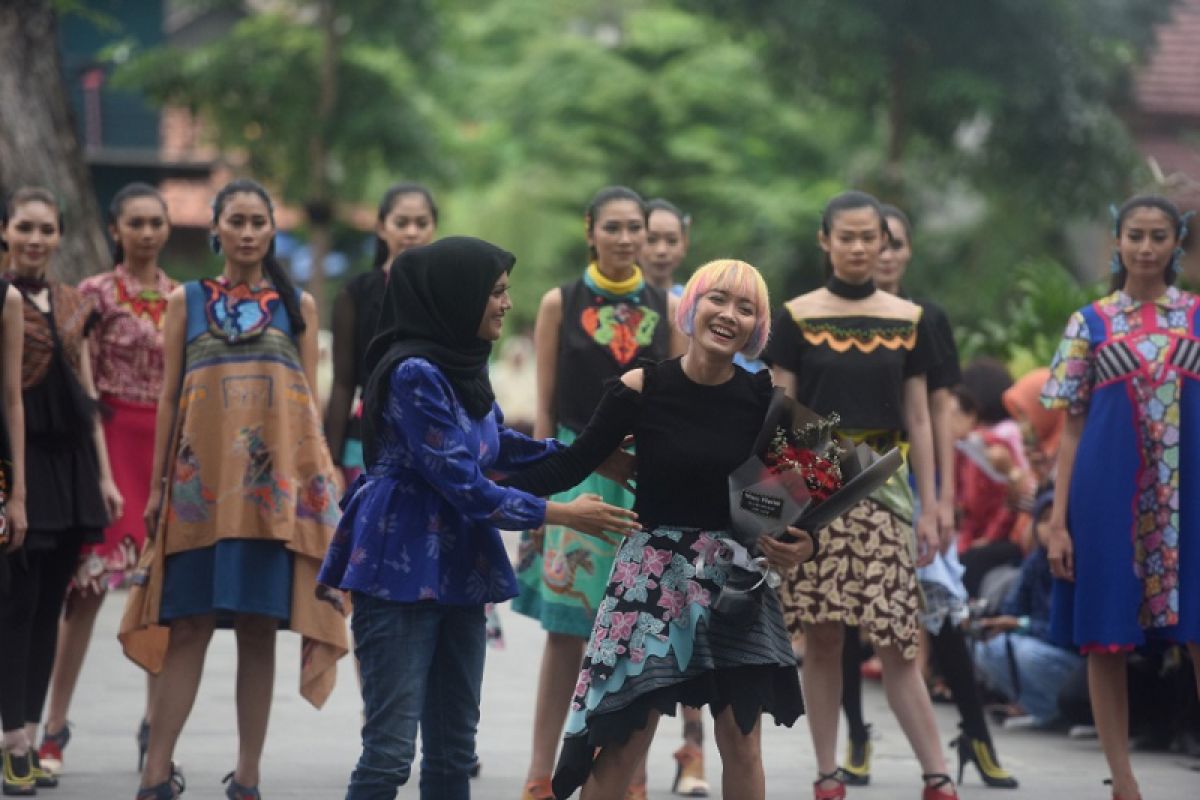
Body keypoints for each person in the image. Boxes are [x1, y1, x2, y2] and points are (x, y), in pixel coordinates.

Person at [316, 236, 639, 800]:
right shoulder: (414, 374)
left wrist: (595, 455)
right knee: (390, 756)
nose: (506, 304)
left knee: (453, 754)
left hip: (459, 570)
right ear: (456, 297)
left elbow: (502, 449)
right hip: (400, 564)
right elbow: (465, 483)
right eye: (495, 292)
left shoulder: (463, 365)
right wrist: (561, 513)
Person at [503, 258, 811, 800]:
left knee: (741, 742)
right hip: (652, 578)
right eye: (717, 299)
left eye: (746, 308)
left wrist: (803, 545)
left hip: (735, 582)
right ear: (691, 305)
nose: (728, 315)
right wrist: (480, 475)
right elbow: (570, 466)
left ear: (757, 328)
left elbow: (793, 509)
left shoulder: (765, 402)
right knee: (623, 737)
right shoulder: (639, 387)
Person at [121, 179, 348, 800]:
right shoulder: (185, 302)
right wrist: (159, 486)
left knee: (255, 627)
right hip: (199, 496)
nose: (247, 232)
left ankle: (247, 776)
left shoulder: (297, 305)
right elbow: (170, 398)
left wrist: (321, 483)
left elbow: (306, 406)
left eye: (258, 222)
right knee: (187, 626)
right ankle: (155, 772)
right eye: (236, 221)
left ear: (272, 231)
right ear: (216, 229)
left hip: (271, 501)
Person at [764, 190, 956, 800]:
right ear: (825, 241)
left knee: (896, 633)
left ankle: (937, 774)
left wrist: (936, 506)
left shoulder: (910, 318)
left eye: (868, 237)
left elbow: (920, 420)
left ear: (884, 243)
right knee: (820, 635)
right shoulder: (794, 316)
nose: (856, 247)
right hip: (814, 491)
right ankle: (827, 773)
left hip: (888, 491)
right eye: (844, 237)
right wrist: (773, 508)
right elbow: (783, 413)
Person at [834, 204, 1015, 789]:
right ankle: (856, 735)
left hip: (916, 479)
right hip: (851, 473)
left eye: (893, 243)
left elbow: (939, 413)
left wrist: (937, 499)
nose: (882, 252)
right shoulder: (827, 315)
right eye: (872, 241)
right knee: (843, 612)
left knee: (942, 613)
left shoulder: (924, 317)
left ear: (907, 252)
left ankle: (976, 735)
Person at [515, 187, 685, 800]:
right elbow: (544, 406)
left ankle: (630, 775)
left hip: (641, 475)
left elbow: (677, 398)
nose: (625, 238)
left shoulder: (669, 304)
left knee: (636, 630)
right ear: (589, 230)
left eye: (634, 227)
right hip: (572, 465)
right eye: (612, 227)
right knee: (567, 633)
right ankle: (540, 769)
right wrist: (539, 490)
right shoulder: (560, 301)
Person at [1043, 194, 1200, 800]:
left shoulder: (1196, 317)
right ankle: (1125, 782)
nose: (1146, 246)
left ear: (1176, 243)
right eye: (1135, 234)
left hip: (1187, 501)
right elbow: (1072, 426)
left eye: (1159, 235)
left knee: (1197, 631)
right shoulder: (1091, 322)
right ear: (1116, 240)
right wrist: (1058, 523)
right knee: (1105, 638)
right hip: (1107, 499)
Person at [36, 183, 177, 776]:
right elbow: (75, 381)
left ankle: (156, 728)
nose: (147, 232)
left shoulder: (183, 297)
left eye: (156, 222)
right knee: (86, 593)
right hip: (109, 442)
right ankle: (53, 727)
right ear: (115, 229)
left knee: (162, 597)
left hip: (167, 449)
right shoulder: (91, 295)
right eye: (135, 222)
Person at [0, 186, 121, 795]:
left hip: (72, 465)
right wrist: (14, 488)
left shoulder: (73, 303)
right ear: (5, 231)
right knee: (16, 601)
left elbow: (89, 390)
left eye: (46, 229)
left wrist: (103, 475)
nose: (35, 239)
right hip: (21, 465)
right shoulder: (3, 299)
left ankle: (28, 727)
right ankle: (13, 738)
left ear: (59, 235)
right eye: (24, 227)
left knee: (51, 605)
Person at [636, 196, 710, 797]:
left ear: (684, 242)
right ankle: (624, 764)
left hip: (695, 488)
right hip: (636, 473)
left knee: (695, 627)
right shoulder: (619, 306)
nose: (660, 249)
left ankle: (693, 755)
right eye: (650, 238)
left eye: (669, 238)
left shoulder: (701, 307)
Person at [325, 183, 437, 485]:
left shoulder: (449, 293)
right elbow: (343, 383)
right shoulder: (355, 294)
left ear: (434, 229)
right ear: (381, 228)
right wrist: (330, 460)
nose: (411, 232)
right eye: (401, 223)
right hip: (364, 442)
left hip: (436, 444)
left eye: (421, 223)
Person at [974, 492, 1083, 728]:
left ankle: (1079, 714)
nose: (1048, 528)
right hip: (1039, 644)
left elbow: (1069, 635)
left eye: (1056, 519)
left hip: (1072, 656)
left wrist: (1022, 626)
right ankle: (1047, 712)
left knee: (1026, 653)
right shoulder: (1035, 562)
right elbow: (1012, 608)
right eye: (1042, 520)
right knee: (988, 648)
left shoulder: (1079, 562)